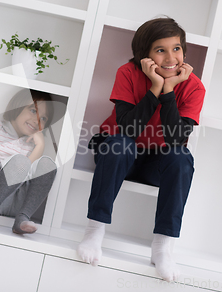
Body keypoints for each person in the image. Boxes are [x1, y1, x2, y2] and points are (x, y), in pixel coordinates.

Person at [77, 17, 205, 281]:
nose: (172, 57)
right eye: (161, 50)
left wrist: (168, 90)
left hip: (154, 163)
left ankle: (162, 247)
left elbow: (176, 138)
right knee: (121, 144)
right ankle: (94, 231)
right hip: (117, 151)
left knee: (182, 158)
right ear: (144, 55)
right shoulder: (128, 73)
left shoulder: (193, 86)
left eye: (177, 48)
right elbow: (128, 130)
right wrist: (155, 87)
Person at [0, 89, 57, 235]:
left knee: (48, 165)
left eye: (44, 119)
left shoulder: (32, 144)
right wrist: (7, 167)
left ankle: (23, 217)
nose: (37, 120)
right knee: (20, 162)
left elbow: (26, 174)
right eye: (33, 111)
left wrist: (40, 147)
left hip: (13, 203)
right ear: (17, 107)